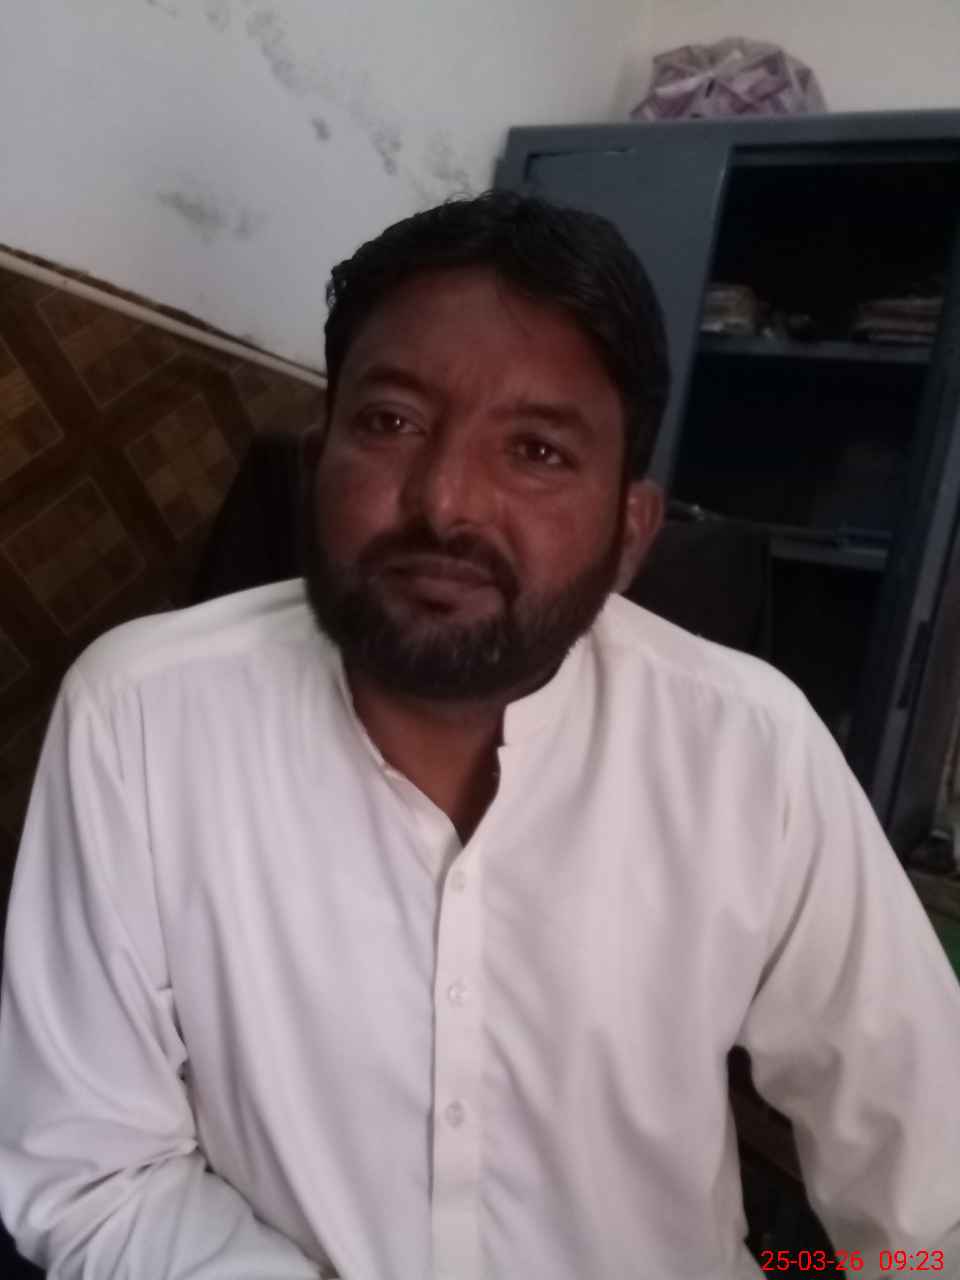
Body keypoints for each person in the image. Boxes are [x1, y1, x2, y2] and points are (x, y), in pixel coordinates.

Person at [0, 191, 958, 1280]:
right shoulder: (141, 718)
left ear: (630, 531)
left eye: (538, 449)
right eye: (391, 422)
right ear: (316, 463)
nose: (446, 501)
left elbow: (931, 1192)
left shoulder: (751, 750)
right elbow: (91, 1169)